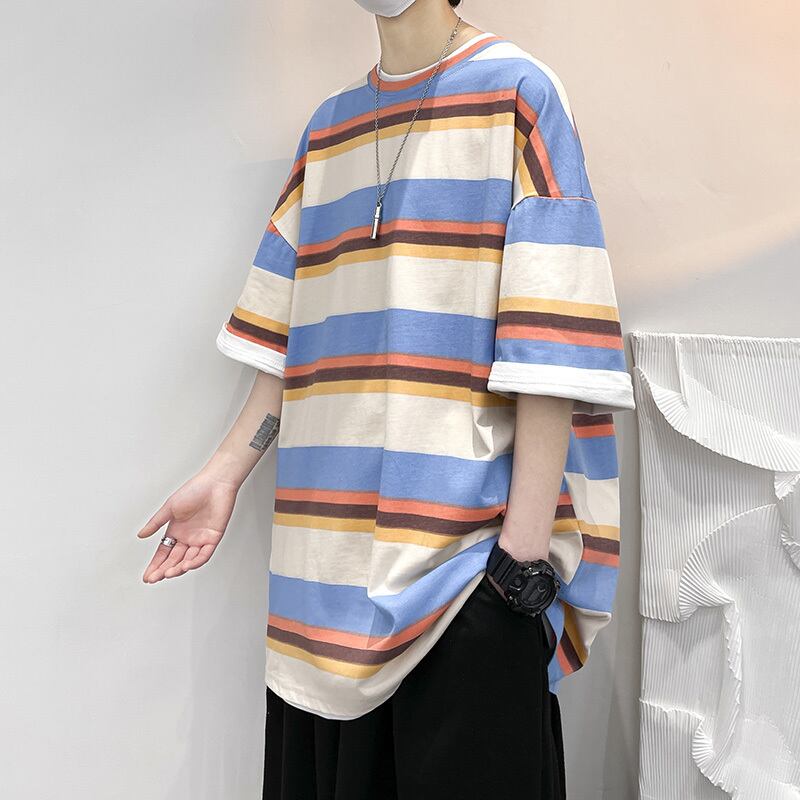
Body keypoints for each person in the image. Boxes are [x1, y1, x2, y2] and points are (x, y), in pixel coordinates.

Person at [137, 0, 636, 797]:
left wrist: (517, 563)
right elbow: (287, 334)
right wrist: (226, 473)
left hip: (463, 582)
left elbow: (552, 344)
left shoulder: (518, 93)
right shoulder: (329, 129)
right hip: (317, 597)